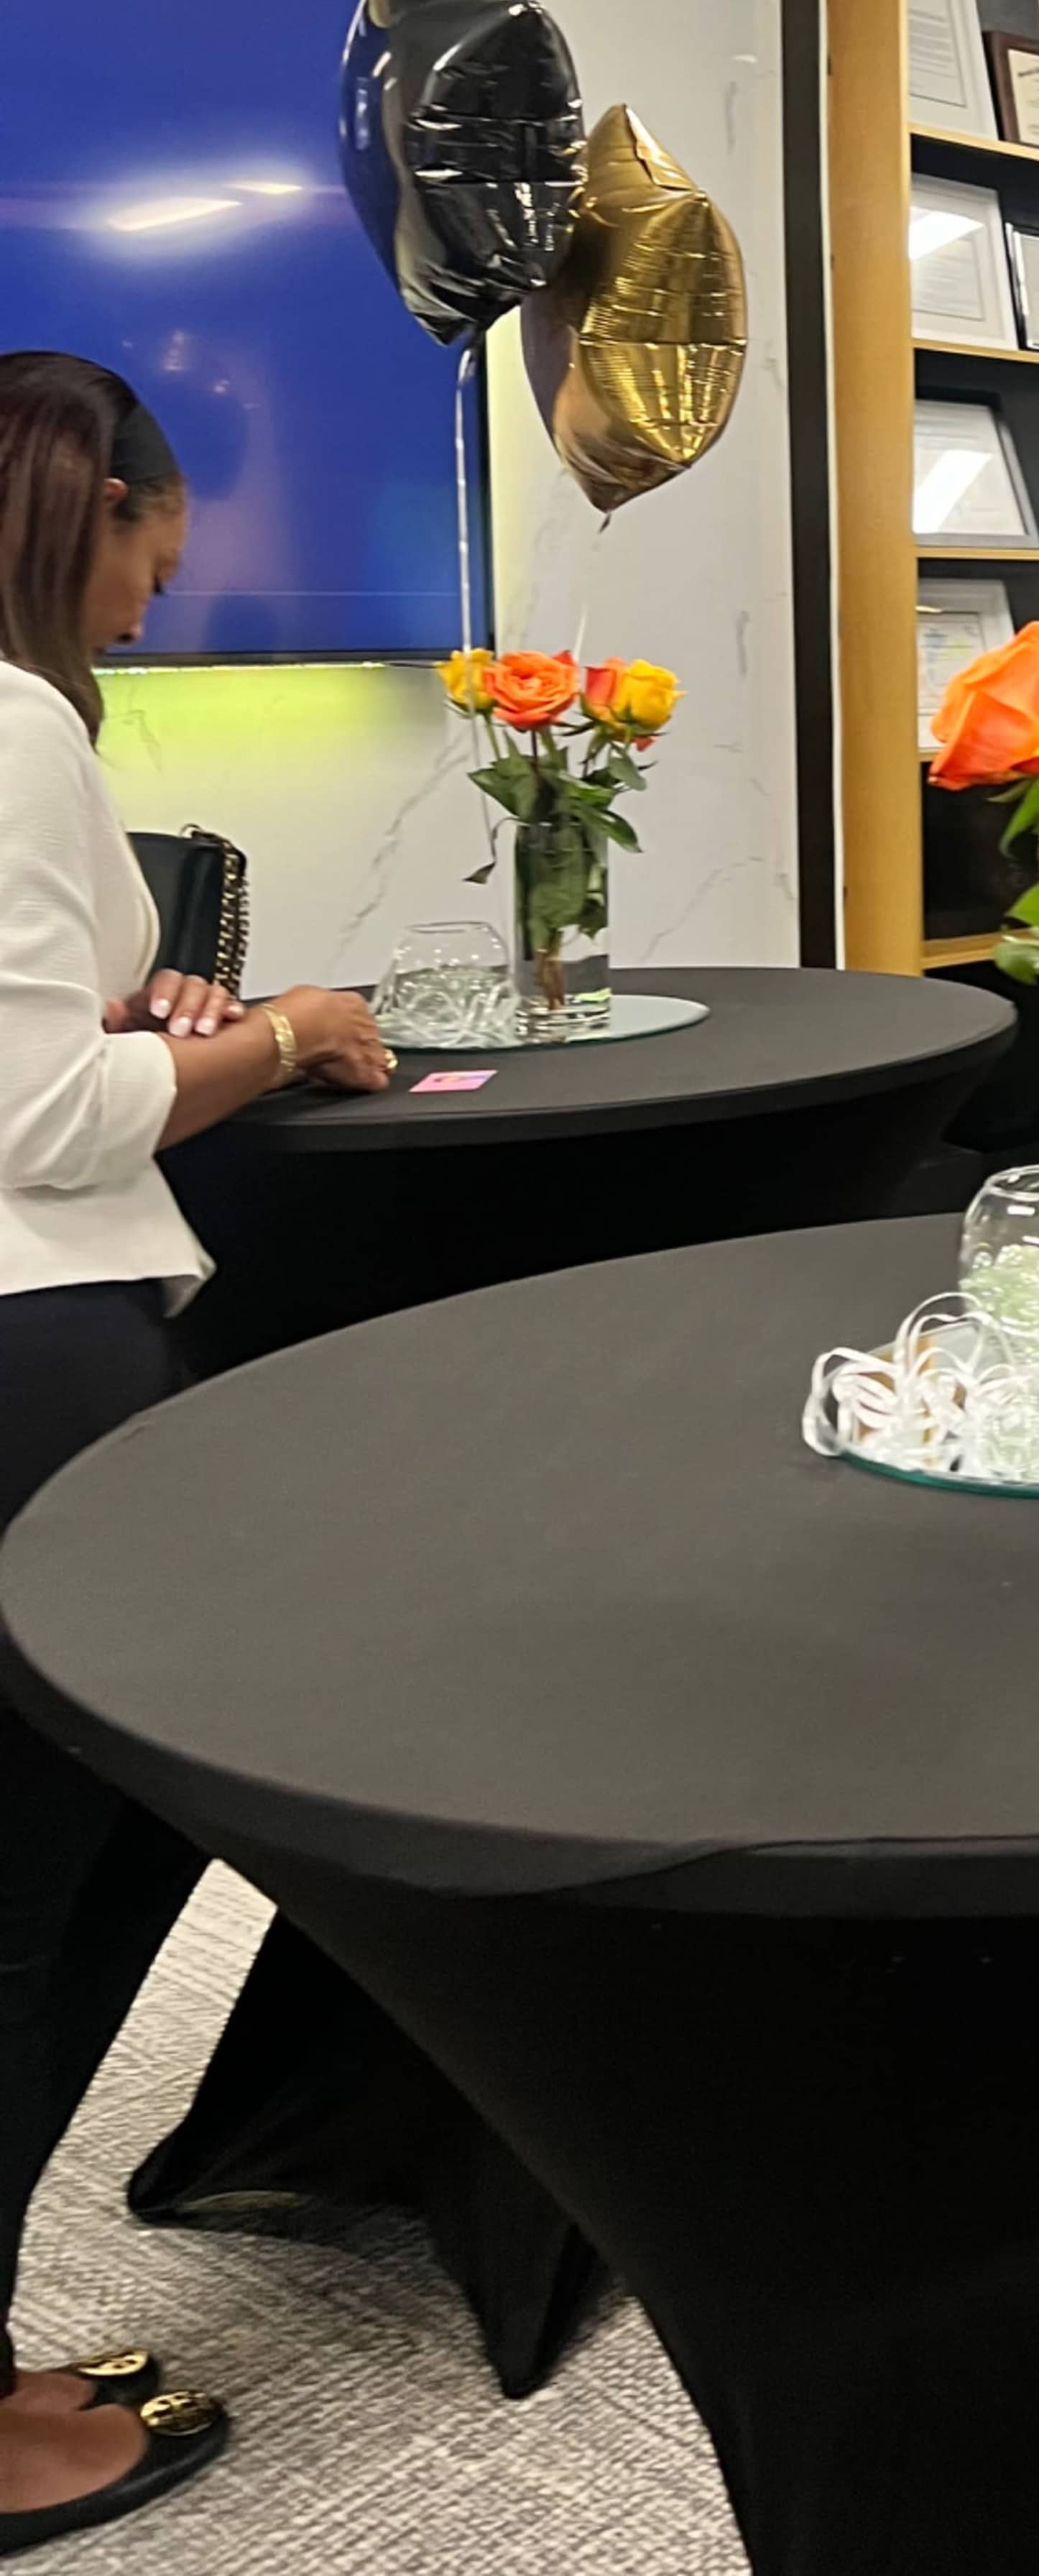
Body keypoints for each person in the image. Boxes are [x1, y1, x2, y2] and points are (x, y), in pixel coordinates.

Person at [0, 351, 393, 2549]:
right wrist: (281, 1036)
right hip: (32, 1352)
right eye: (162, 534)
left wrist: (151, 1027)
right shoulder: (23, 725)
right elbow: (36, 1119)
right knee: (35, 1902)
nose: (173, 580)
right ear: (106, 510)